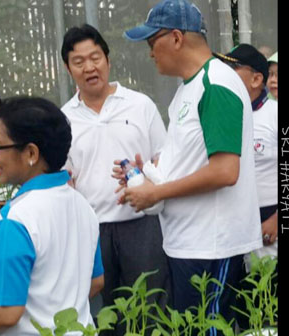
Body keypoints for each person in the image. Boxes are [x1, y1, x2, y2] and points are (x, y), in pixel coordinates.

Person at [121, 0, 262, 332]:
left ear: (175, 38)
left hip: (212, 244)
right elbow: (190, 161)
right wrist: (148, 176)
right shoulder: (188, 90)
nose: (149, 53)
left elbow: (225, 170)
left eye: (151, 42)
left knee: (207, 327)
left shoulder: (217, 84)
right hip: (189, 242)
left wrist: (155, 193)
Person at [0, 96, 104, 336]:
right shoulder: (82, 206)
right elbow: (96, 282)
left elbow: (6, 313)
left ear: (31, 153)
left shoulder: (12, 222)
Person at [60, 23, 170, 335]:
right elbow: (64, 175)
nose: (89, 67)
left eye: (94, 58)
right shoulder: (64, 118)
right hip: (92, 230)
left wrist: (144, 177)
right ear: (69, 69)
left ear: (108, 60)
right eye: (78, 61)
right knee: (104, 315)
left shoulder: (139, 105)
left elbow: (162, 157)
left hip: (142, 223)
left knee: (150, 310)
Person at [215, 43, 278, 330]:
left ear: (256, 79)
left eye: (233, 69)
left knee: (270, 307)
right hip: (234, 226)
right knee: (242, 310)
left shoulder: (275, 115)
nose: (224, 75)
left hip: (271, 224)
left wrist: (278, 220)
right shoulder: (224, 113)